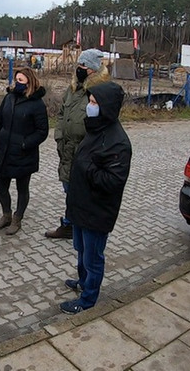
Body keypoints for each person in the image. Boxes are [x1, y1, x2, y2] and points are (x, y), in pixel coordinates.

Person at [60, 81, 132, 315]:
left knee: (93, 256)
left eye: (93, 103)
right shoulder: (95, 128)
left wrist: (87, 166)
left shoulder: (118, 142)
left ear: (107, 108)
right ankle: (83, 282)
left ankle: (88, 299)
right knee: (81, 249)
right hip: (81, 206)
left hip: (97, 211)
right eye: (89, 102)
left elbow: (112, 181)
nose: (89, 107)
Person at [45, 48, 110, 239]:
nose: (79, 69)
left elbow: (104, 124)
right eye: (78, 65)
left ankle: (82, 227)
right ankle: (70, 224)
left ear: (92, 69)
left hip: (85, 152)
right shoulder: (73, 89)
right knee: (69, 189)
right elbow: (62, 114)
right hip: (67, 149)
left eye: (83, 66)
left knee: (83, 193)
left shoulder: (100, 91)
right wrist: (58, 135)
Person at [0, 67, 49, 235]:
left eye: (21, 81)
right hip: (4, 150)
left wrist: (25, 144)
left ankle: (17, 219)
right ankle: (6, 215)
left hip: (24, 154)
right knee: (1, 185)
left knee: (22, 188)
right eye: (16, 80)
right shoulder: (9, 98)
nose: (17, 84)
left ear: (30, 83)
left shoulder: (37, 104)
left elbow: (42, 132)